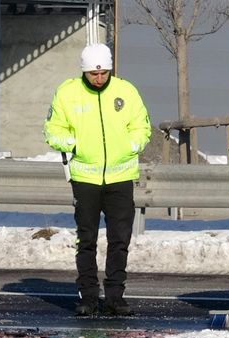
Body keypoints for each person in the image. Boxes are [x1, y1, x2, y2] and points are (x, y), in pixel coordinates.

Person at [43, 43, 151, 316]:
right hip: (85, 178)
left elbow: (142, 126)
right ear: (84, 72)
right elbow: (52, 128)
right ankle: (88, 297)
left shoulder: (126, 91)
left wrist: (132, 144)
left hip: (121, 177)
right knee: (87, 239)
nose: (99, 79)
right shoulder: (67, 93)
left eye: (104, 73)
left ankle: (115, 297)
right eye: (93, 74)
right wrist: (72, 143)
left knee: (119, 240)